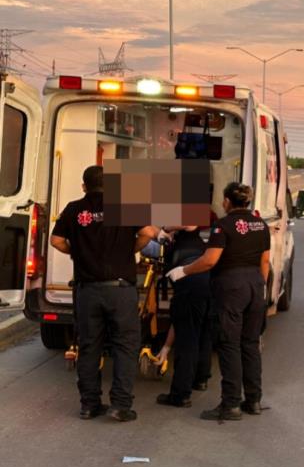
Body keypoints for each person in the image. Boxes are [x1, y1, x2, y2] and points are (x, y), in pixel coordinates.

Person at [49, 165, 157, 422]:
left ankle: (89, 405)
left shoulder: (74, 209)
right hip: (120, 289)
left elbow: (56, 240)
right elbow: (149, 232)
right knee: (125, 346)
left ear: (84, 186)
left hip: (87, 289)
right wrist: (129, 249)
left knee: (89, 346)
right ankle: (120, 405)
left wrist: (77, 253)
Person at [166, 183, 270, 421]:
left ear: (227, 201)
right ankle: (253, 400)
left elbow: (210, 261)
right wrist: (259, 287)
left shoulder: (222, 226)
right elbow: (265, 261)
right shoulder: (260, 224)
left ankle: (230, 404)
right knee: (250, 344)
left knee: (229, 344)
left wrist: (185, 271)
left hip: (231, 286)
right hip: (255, 284)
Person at [155, 226, 213, 408]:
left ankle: (180, 394)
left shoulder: (177, 245)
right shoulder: (200, 245)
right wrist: (166, 347)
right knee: (201, 334)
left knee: (187, 342)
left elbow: (188, 224)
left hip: (188, 289)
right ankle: (200, 379)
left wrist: (166, 229)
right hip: (207, 288)